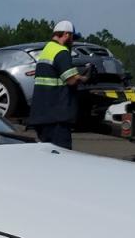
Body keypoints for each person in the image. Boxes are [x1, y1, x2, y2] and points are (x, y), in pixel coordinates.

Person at [26, 20, 89, 149]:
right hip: (57, 118)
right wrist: (84, 77)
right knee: (62, 159)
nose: (73, 42)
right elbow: (71, 79)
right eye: (73, 38)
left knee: (47, 159)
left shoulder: (47, 49)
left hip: (42, 116)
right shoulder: (61, 51)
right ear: (66, 35)